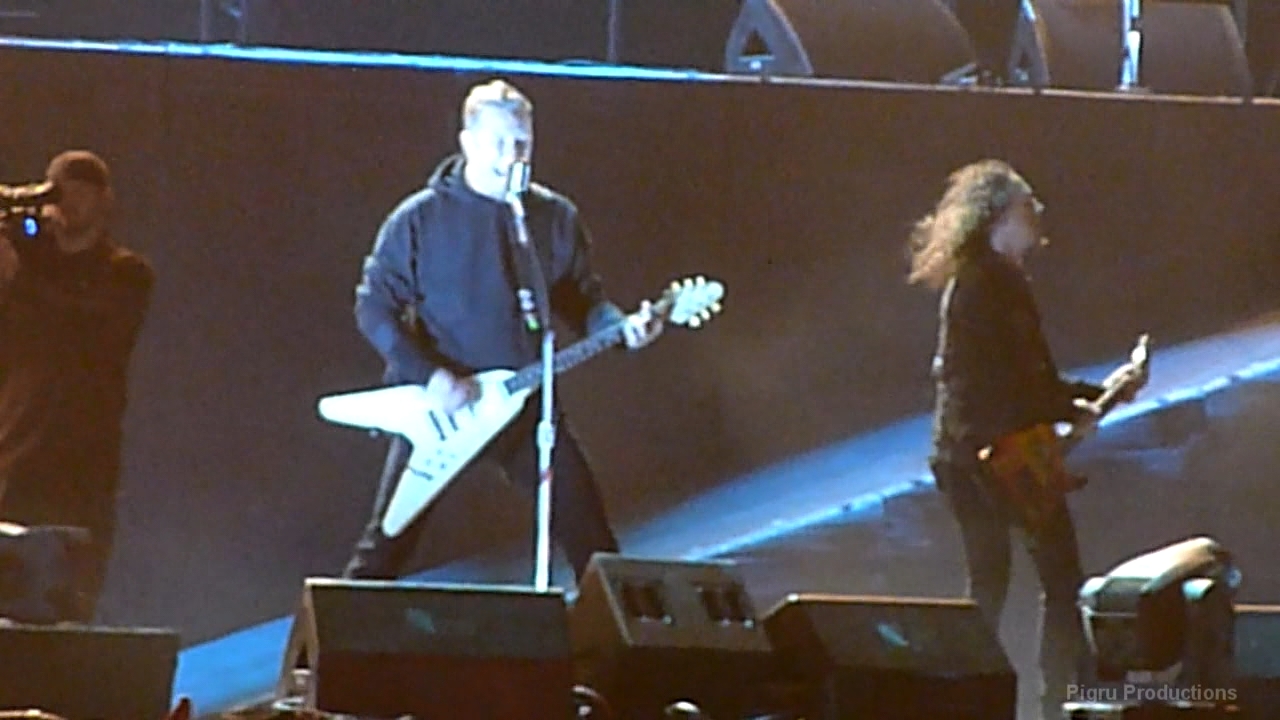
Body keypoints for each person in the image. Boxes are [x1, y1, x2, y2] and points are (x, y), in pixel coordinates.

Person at [341, 78, 662, 583]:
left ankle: (619, 629)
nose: (512, 157)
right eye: (498, 143)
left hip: (526, 410)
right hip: (444, 414)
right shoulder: (420, 219)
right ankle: (334, 634)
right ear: (467, 142)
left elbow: (583, 300)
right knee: (384, 550)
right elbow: (373, 308)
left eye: (522, 144)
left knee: (593, 541)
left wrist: (622, 328)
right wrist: (429, 376)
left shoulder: (552, 217)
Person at [907, 159, 1116, 719]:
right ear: (999, 216)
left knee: (989, 585)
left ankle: (962, 702)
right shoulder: (997, 283)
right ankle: (1060, 702)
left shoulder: (975, 279)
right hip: (1001, 457)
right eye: (1029, 206)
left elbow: (1021, 379)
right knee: (1061, 579)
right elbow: (1018, 382)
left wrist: (1087, 396)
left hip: (963, 455)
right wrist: (1072, 406)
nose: (1038, 214)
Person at [0, 150, 155, 622]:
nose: (68, 200)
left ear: (105, 200)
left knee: (68, 613)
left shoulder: (125, 273)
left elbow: (92, 328)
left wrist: (18, 277)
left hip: (80, 472)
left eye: (81, 190)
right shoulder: (27, 264)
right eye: (59, 190)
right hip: (13, 462)